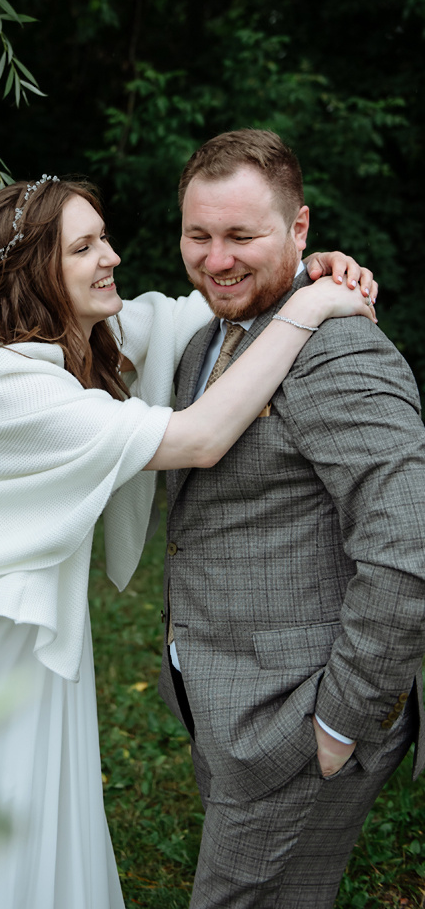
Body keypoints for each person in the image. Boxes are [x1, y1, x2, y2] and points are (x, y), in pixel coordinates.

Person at [0, 175, 375, 909]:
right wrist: (314, 307)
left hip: (17, 632)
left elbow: (209, 307)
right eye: (84, 246)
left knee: (18, 822)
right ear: (38, 271)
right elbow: (197, 437)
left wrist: (303, 271)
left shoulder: (69, 339)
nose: (113, 257)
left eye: (102, 237)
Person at [160, 129, 425, 909]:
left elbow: (407, 546)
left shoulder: (341, 354)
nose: (216, 260)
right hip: (226, 701)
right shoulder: (203, 342)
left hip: (298, 717)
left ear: (298, 229)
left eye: (242, 235)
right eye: (198, 235)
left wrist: (339, 725)